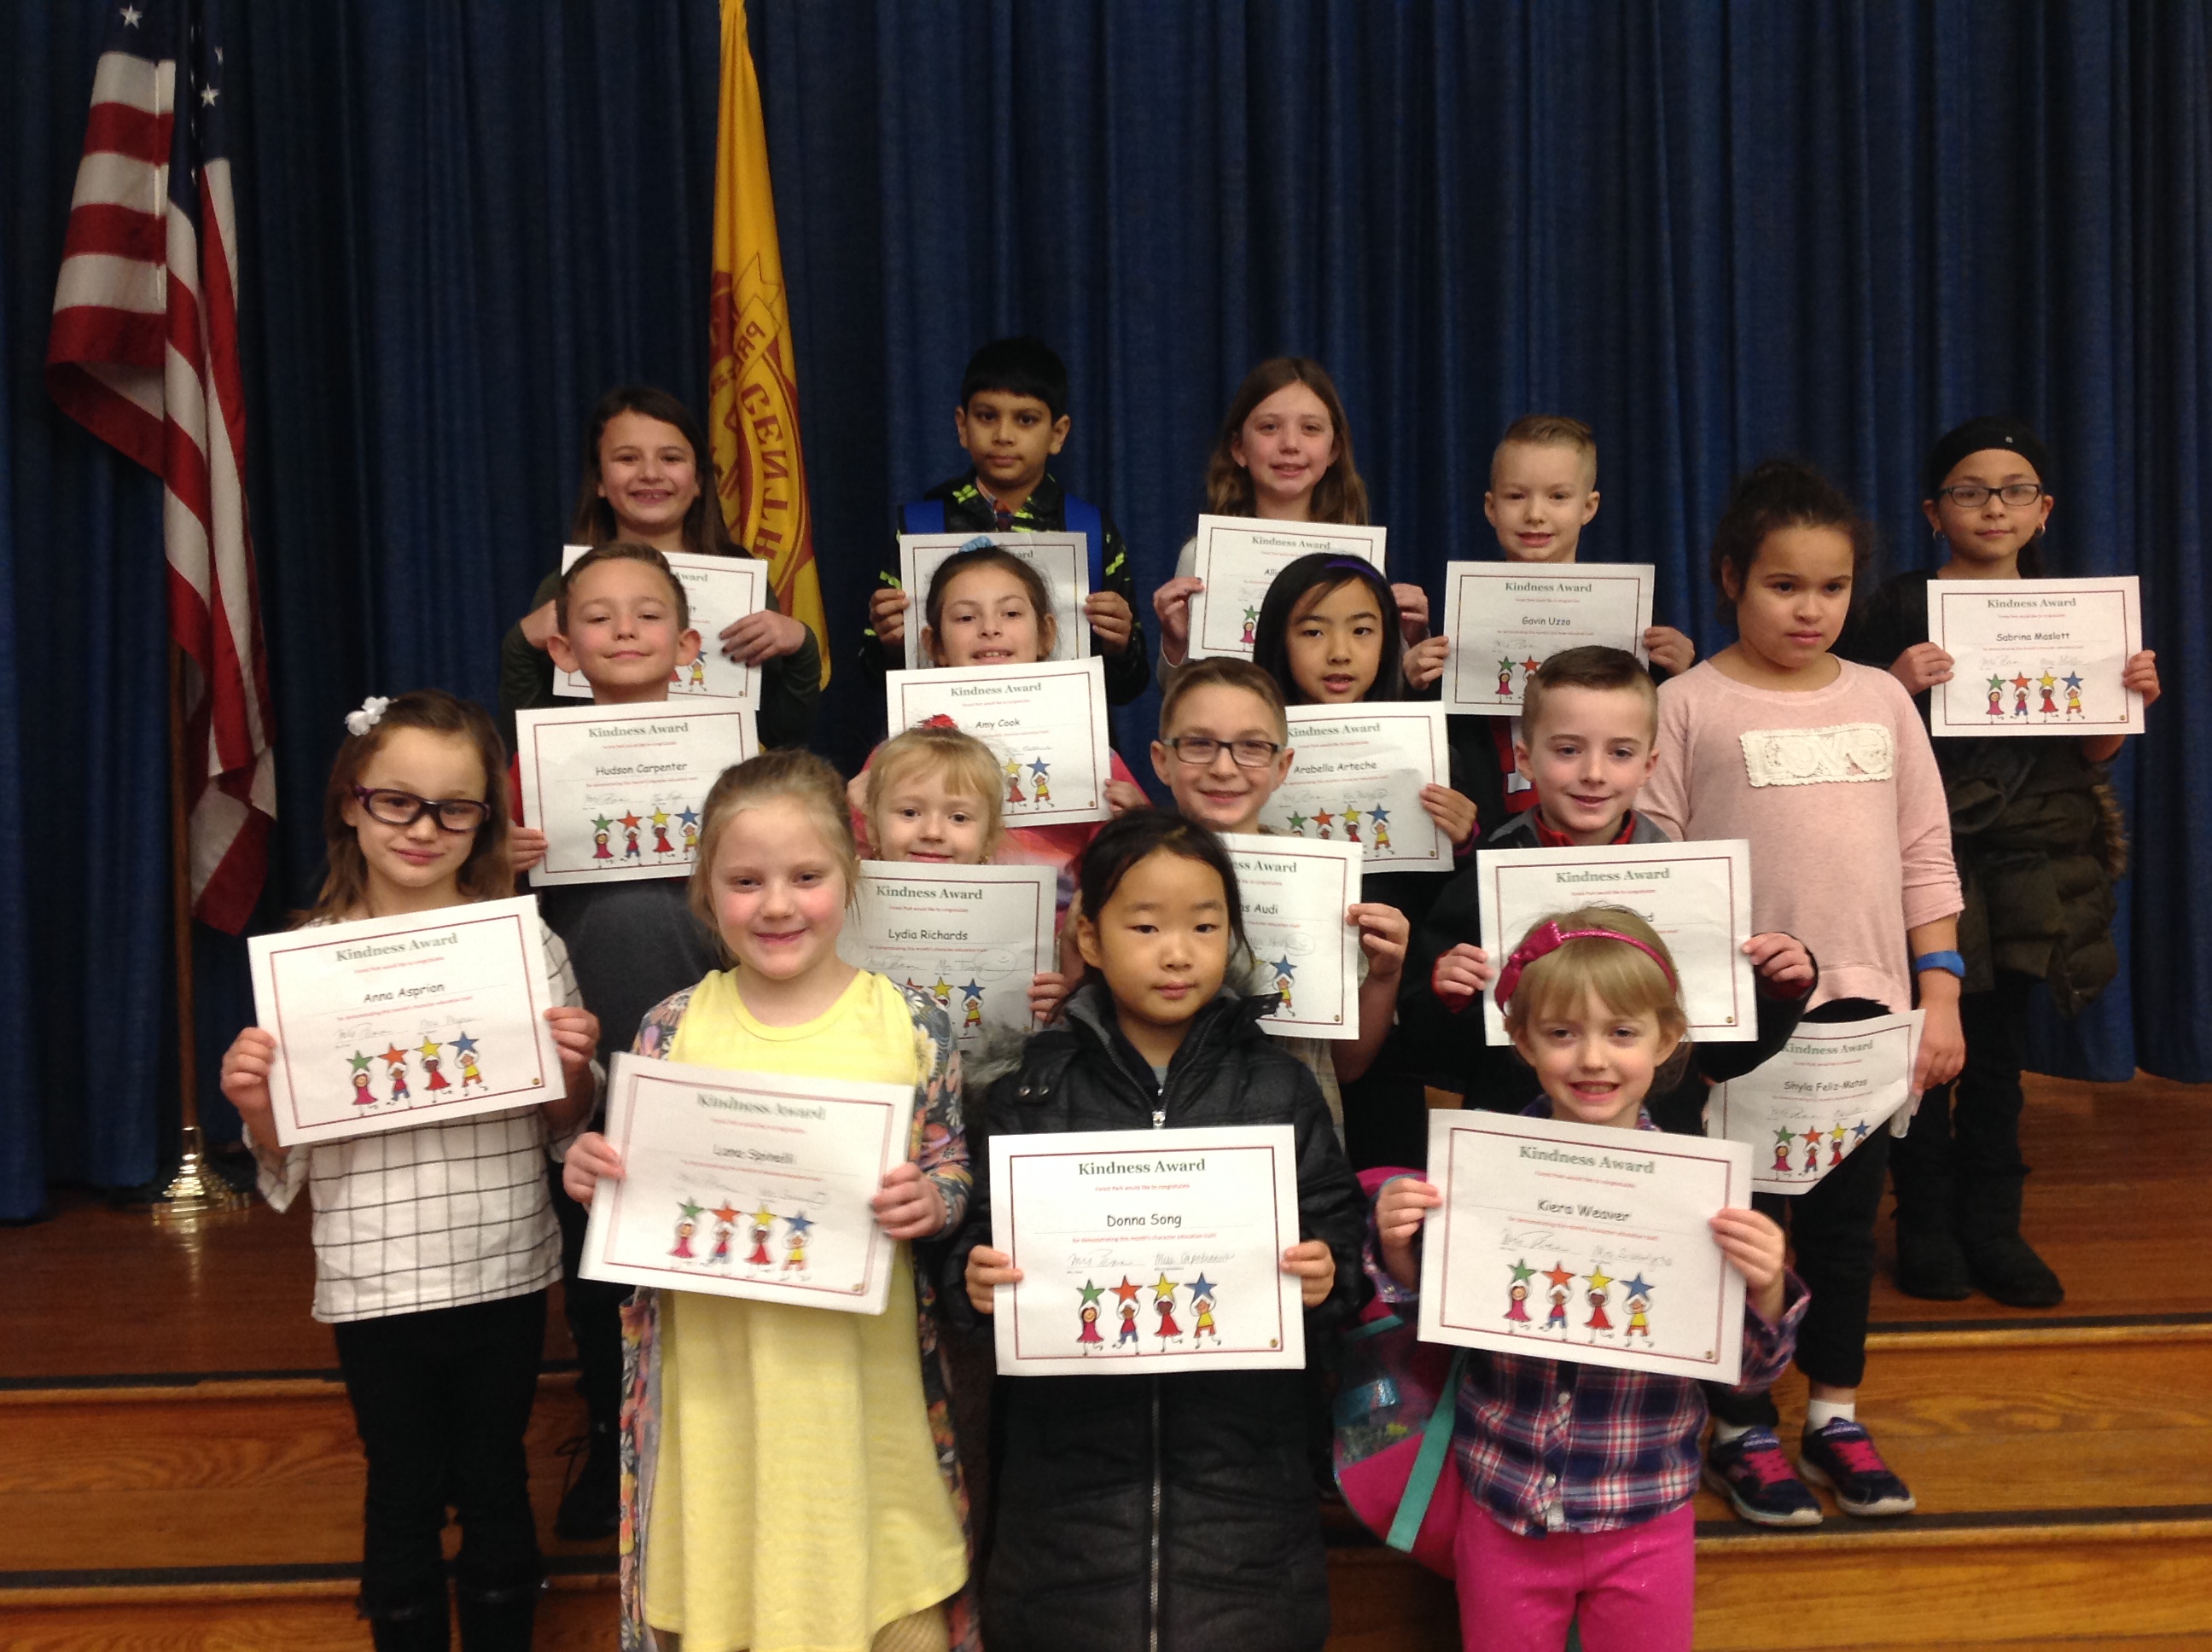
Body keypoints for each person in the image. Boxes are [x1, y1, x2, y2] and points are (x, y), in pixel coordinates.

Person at [562, 750, 976, 1652]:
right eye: (746, 881)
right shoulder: (671, 1028)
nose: (778, 905)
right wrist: (594, 1169)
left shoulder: (909, 1026)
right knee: (734, 1599)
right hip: (720, 1401)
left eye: (806, 876)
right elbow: (634, 1183)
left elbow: (950, 1168)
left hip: (861, 1400)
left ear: (850, 876)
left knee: (884, 1599)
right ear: (705, 891)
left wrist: (933, 1202)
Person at [218, 690, 602, 1651]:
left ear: (486, 821)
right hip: (374, 1275)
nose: (425, 827)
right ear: (351, 800)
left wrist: (572, 1070)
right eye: (399, 800)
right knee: (401, 1484)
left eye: (455, 807)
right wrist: (257, 1103)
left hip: (503, 1262)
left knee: (494, 1475)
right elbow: (283, 1157)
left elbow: (568, 1123)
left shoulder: (527, 945)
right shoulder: (304, 962)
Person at [1640, 459, 1965, 1527]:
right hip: (1737, 1029)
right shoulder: (1685, 705)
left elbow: (1925, 848)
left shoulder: (1881, 697)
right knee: (1744, 1225)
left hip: (1868, 1017)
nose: (1810, 608)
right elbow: (1659, 859)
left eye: (1830, 589)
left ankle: (1833, 1409)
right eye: (1785, 585)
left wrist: (1942, 988)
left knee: (1837, 1226)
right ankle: (1739, 1423)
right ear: (1733, 577)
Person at [954, 809, 1365, 1649]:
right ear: (1092, 938)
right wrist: (972, 1276)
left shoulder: (1280, 1090)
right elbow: (972, 1247)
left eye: (1204, 926)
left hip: (1244, 1505)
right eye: (1145, 925)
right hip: (1065, 1516)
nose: (1177, 951)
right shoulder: (1028, 1095)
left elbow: (1340, 1240)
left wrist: (1330, 1272)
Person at [1369, 908, 1807, 1652]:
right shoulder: (1480, 1176)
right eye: (1563, 1033)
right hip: (1501, 1505)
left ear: (1668, 1039)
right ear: (1523, 1042)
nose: (1592, 1059)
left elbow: (1746, 1377)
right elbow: (1424, 1326)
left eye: (1623, 1033)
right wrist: (1401, 1247)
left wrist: (1766, 1292)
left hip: (1645, 1512)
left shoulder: (1703, 1196)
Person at [1844, 416, 2159, 1305]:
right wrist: (1894, 681)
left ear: (2045, 509)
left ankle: (1995, 1227)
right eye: (1970, 490)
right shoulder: (1899, 607)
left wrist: (2122, 700)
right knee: (1922, 1052)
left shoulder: (2080, 616)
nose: (1993, 506)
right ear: (1934, 510)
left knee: (1996, 1055)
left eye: (2015, 489)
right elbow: (1844, 726)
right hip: (1923, 857)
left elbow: (2091, 755)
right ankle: (1926, 1224)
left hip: (2031, 866)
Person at [502, 543, 721, 1539]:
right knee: (597, 1249)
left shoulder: (734, 754)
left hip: (713, 1044)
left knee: (708, 1239)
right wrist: (491, 863)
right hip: (584, 1054)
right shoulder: (524, 768)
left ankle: (708, 1449)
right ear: (563, 646)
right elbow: (473, 920)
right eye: (598, 616)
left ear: (686, 646)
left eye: (646, 616)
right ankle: (609, 1430)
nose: (623, 630)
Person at [1396, 646, 1816, 1124]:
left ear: (1649, 766)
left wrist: (1779, 991)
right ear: (1527, 759)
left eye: (1620, 753)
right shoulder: (1484, 880)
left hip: (1660, 1140)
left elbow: (1723, 1057)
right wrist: (1447, 1000)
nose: (1593, 774)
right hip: (1514, 1139)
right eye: (1568, 750)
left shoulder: (1693, 886)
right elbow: (1433, 1054)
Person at [1146, 656, 1410, 1143]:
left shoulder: (1323, 881)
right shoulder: (1126, 875)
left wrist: (1384, 975)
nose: (1224, 768)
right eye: (1200, 744)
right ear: (1163, 760)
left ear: (1281, 766)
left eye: (1251, 747)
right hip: (1163, 1138)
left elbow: (1349, 1065)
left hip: (1297, 1144)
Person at [498, 386, 819, 752]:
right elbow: (528, 744)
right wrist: (520, 645)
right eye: (627, 458)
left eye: (670, 458)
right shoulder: (563, 587)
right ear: (600, 481)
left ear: (698, 479)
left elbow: (783, 735)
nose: (650, 473)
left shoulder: (742, 581)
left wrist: (801, 647)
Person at [864, 336, 1149, 724]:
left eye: (1026, 419)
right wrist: (890, 644)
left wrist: (1119, 644)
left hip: (1062, 748)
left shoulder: (1091, 532)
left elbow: (1129, 687)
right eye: (986, 416)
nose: (1003, 434)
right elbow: (871, 679)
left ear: (1058, 433)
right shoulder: (917, 530)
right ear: (962, 426)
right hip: (944, 754)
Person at [859, 544, 1148, 914]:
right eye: (965, 618)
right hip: (925, 934)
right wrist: (858, 808)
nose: (990, 629)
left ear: (1045, 634)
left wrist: (1137, 822)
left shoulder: (1093, 757)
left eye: (1011, 613)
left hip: (1057, 950)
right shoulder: (895, 756)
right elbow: (854, 862)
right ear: (935, 645)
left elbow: (1137, 868)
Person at [1447, 416, 1699, 837]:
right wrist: (1416, 680)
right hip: (1495, 843)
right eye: (1516, 496)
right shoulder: (1459, 626)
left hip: (1605, 836)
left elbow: (1650, 736)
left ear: (1589, 506)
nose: (1535, 514)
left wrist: (1681, 675)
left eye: (1558, 496)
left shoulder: (1631, 629)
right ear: (1491, 507)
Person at [1150, 358, 1432, 685]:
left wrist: (1410, 637)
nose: (1290, 445)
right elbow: (1174, 691)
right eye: (1269, 427)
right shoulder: (1201, 555)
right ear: (1239, 447)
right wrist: (1176, 642)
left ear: (1333, 450)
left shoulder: (1360, 559)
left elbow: (1383, 688)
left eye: (1310, 428)